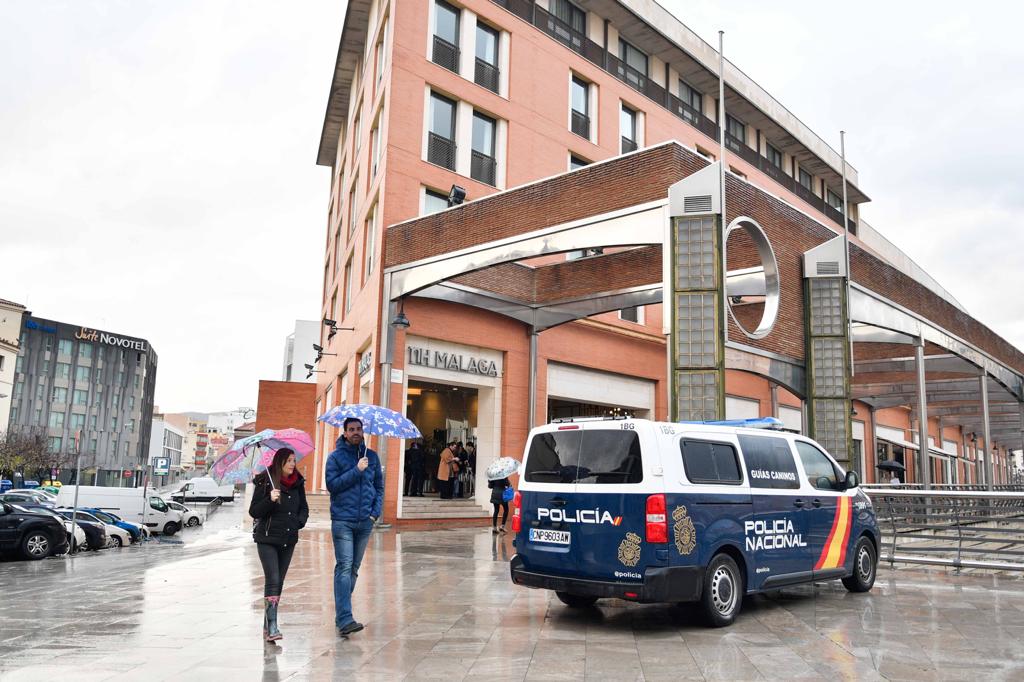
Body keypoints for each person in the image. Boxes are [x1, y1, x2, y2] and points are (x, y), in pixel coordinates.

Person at [325, 417, 384, 637]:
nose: (356, 432)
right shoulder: (335, 457)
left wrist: (374, 514)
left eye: (359, 429)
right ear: (345, 432)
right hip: (342, 520)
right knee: (344, 566)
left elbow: (379, 487)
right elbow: (333, 486)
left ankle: (341, 612)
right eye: (351, 430)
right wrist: (357, 471)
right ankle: (345, 618)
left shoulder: (373, 457)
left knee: (353, 570)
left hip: (364, 522)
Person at [248, 448, 309, 643]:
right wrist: (270, 500)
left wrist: (298, 522)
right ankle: (273, 625)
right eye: (289, 460)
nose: (292, 464)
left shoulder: (298, 482)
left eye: (294, 460)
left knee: (280, 582)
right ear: (279, 462)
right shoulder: (265, 481)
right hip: (267, 539)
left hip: (288, 538)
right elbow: (254, 511)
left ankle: (268, 626)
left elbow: (303, 509)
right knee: (273, 579)